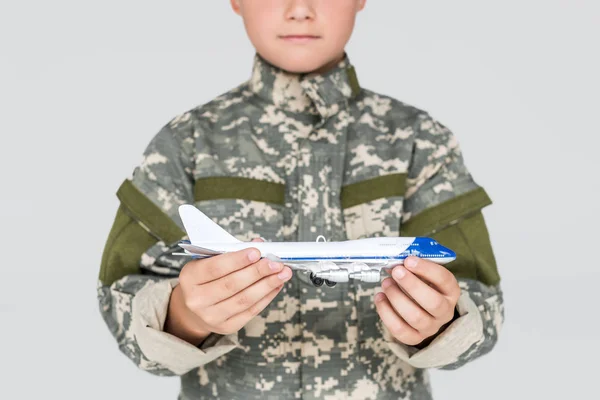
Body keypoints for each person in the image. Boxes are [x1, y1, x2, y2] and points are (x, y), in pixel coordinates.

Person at [97, 1, 504, 399]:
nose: (300, 8)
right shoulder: (185, 143)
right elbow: (120, 301)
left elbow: (484, 306)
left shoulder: (421, 142)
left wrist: (440, 323)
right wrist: (184, 315)